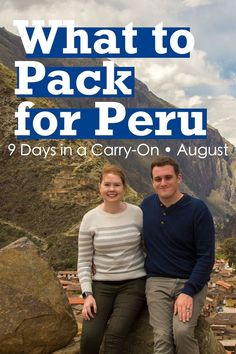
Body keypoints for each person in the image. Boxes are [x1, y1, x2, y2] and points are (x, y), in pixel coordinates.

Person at [141, 156, 215, 354]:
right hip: (157, 282)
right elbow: (131, 240)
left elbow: (206, 257)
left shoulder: (198, 210)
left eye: (168, 177)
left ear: (178, 178)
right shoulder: (146, 207)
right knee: (163, 337)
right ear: (152, 182)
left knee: (182, 332)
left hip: (190, 281)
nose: (163, 183)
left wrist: (189, 291)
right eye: (158, 179)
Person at [77, 164, 146, 354]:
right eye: (107, 184)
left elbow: (149, 246)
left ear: (124, 188)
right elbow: (83, 261)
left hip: (133, 284)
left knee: (114, 336)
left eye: (116, 185)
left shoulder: (137, 214)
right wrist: (87, 294)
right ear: (100, 187)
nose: (111, 189)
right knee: (90, 337)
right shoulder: (89, 218)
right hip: (101, 286)